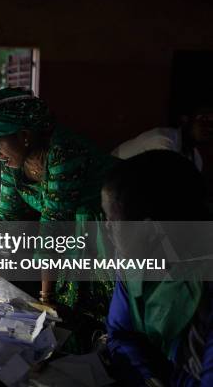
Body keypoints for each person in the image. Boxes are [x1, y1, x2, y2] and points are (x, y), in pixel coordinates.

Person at [0, 87, 116, 351]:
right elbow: (6, 219)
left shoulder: (64, 152)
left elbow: (54, 227)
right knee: (69, 322)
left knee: (99, 318)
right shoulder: (13, 162)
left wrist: (46, 299)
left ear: (24, 136)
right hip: (68, 239)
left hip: (106, 229)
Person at [103, 150, 212, 386]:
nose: (106, 227)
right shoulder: (133, 262)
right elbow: (120, 334)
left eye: (112, 219)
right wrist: (149, 378)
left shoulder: (203, 294)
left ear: (150, 231)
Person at [112, 106, 213, 171]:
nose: (209, 126)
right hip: (107, 182)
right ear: (185, 120)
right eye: (203, 118)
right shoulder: (162, 140)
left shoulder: (196, 158)